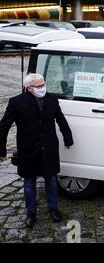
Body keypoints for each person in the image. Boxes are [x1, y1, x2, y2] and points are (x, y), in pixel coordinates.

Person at [0, 73, 73, 228]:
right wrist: (1, 150)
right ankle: (31, 212)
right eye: (39, 86)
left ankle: (53, 208)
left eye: (43, 84)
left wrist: (68, 138)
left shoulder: (52, 99)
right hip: (28, 149)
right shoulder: (16, 102)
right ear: (29, 88)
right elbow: (4, 127)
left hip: (49, 147)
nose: (43, 88)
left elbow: (60, 119)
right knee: (29, 181)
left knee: (51, 179)